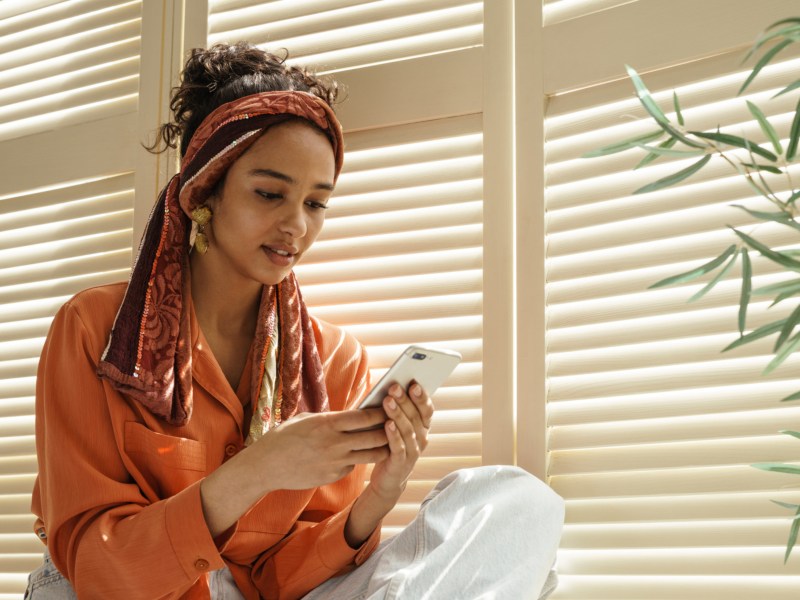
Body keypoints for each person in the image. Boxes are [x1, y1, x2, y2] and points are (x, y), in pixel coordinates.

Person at [25, 43, 564, 599]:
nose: (296, 226)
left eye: (316, 203)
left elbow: (283, 581)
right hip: (120, 591)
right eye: (270, 193)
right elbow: (96, 567)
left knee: (515, 503)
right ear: (204, 189)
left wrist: (380, 493)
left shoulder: (334, 361)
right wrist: (258, 469)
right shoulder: (94, 329)